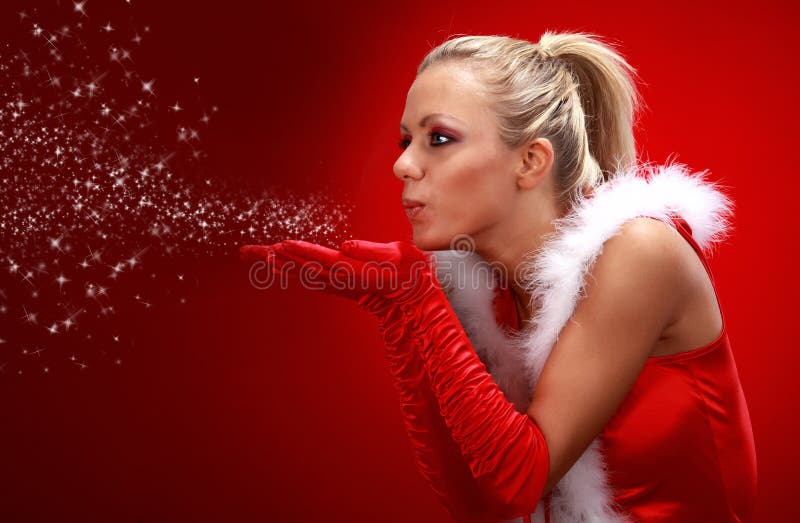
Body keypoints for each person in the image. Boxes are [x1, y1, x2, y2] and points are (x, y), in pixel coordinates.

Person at [241, 32, 757, 522]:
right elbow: (479, 504)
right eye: (406, 140)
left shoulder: (641, 251)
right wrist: (395, 311)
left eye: (438, 138)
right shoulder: (486, 288)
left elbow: (520, 479)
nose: (403, 165)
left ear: (531, 161)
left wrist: (415, 297)